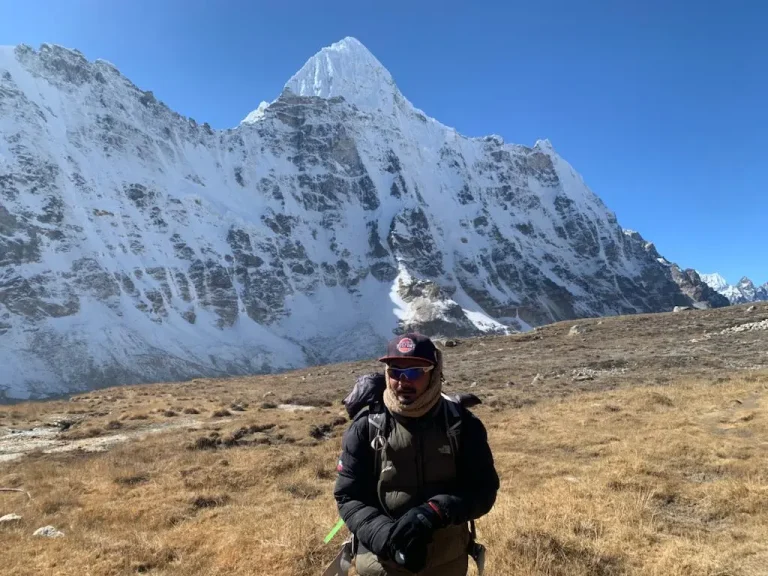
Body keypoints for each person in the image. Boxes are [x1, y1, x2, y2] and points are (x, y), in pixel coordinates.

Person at [333, 333, 500, 575]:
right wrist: (385, 537)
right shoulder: (366, 426)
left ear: (434, 373)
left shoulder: (462, 425)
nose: (403, 381)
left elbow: (483, 489)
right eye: (395, 371)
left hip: (446, 563)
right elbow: (348, 496)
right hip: (381, 563)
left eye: (414, 372)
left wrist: (435, 512)